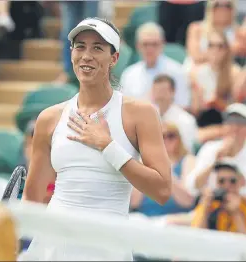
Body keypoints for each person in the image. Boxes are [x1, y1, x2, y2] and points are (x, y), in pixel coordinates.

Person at [19, 17, 172, 261]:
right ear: (71, 54)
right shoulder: (48, 119)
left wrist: (108, 147)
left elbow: (162, 190)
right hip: (52, 248)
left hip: (107, 248)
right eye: (80, 46)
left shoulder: (141, 114)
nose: (86, 55)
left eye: (97, 48)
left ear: (114, 58)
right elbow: (32, 198)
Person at [185, 103, 246, 200]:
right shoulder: (209, 148)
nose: (235, 127)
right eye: (230, 121)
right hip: (212, 206)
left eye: (241, 122)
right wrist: (215, 162)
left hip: (245, 210)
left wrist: (232, 166)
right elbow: (192, 187)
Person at [191, 159, 246, 234]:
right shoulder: (210, 203)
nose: (227, 185)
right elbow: (196, 236)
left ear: (241, 182)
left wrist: (236, 213)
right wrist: (205, 210)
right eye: (221, 181)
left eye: (232, 181)